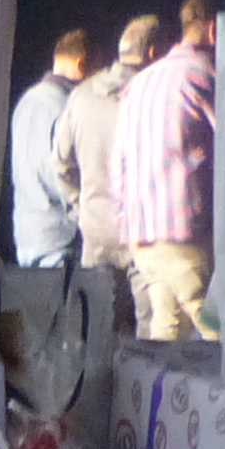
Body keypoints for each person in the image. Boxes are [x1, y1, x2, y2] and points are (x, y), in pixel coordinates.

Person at [116, 0, 223, 340]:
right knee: (223, 336)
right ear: (214, 30)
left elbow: (119, 163)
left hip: (142, 234)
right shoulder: (203, 76)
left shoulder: (139, 83)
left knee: (167, 334)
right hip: (185, 235)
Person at [52, 14, 161, 280]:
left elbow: (61, 164)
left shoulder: (81, 96)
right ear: (154, 52)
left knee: (96, 304)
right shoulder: (155, 97)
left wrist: (82, 209)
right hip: (142, 236)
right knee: (149, 309)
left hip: (96, 232)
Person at [8, 29, 90, 267]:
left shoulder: (26, 102)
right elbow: (60, 175)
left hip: (27, 236)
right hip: (59, 240)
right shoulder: (65, 108)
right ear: (81, 64)